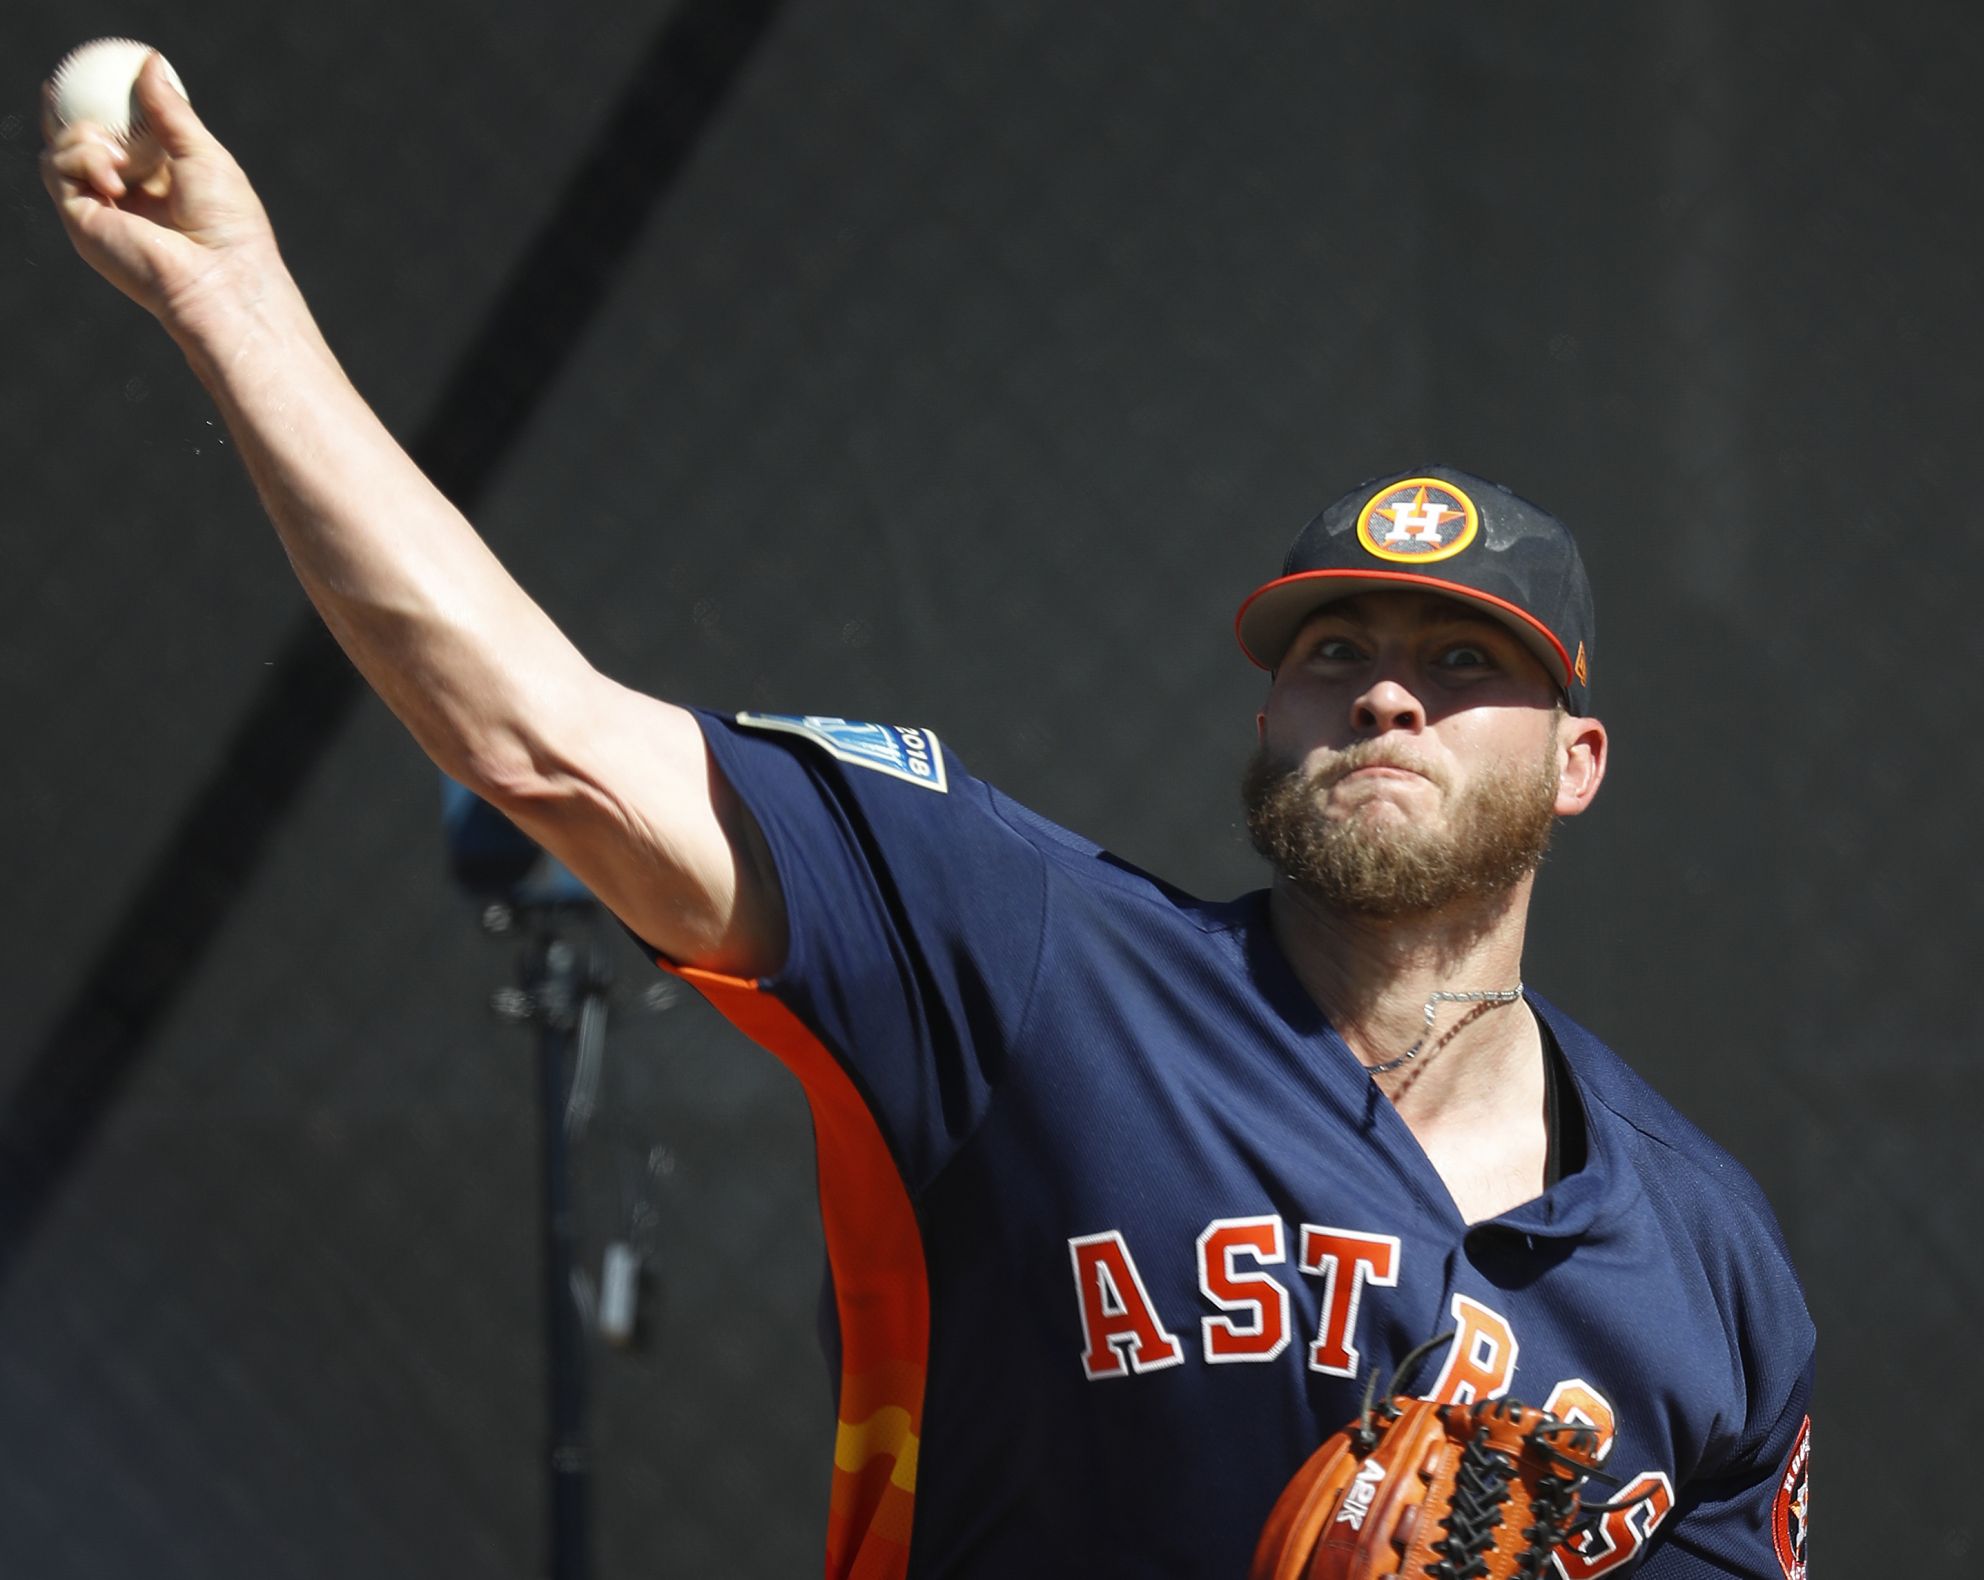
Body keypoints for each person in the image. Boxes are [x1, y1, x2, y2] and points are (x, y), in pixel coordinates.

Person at [44, 59, 1813, 1580]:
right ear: (1267, 717)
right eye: (1331, 646)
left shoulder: (1709, 1263)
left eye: (1462, 658)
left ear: (1579, 763)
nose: (1385, 689)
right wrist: (235, 303)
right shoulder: (1034, 963)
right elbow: (543, 740)